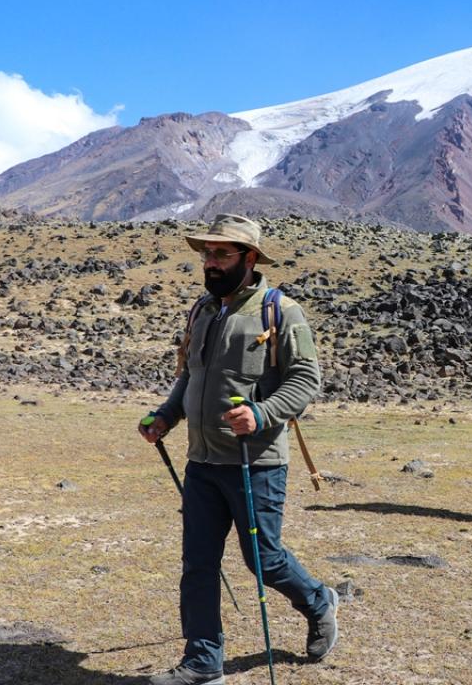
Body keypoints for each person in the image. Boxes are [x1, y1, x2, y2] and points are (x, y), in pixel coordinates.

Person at [137, 214, 337, 685]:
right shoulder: (203, 311)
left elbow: (306, 380)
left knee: (264, 559)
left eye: (221, 254)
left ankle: (318, 600)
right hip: (202, 463)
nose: (210, 262)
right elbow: (191, 376)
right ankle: (203, 663)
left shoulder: (279, 312)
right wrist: (166, 416)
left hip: (256, 463)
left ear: (249, 259)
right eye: (206, 253)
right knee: (198, 565)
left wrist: (261, 414)